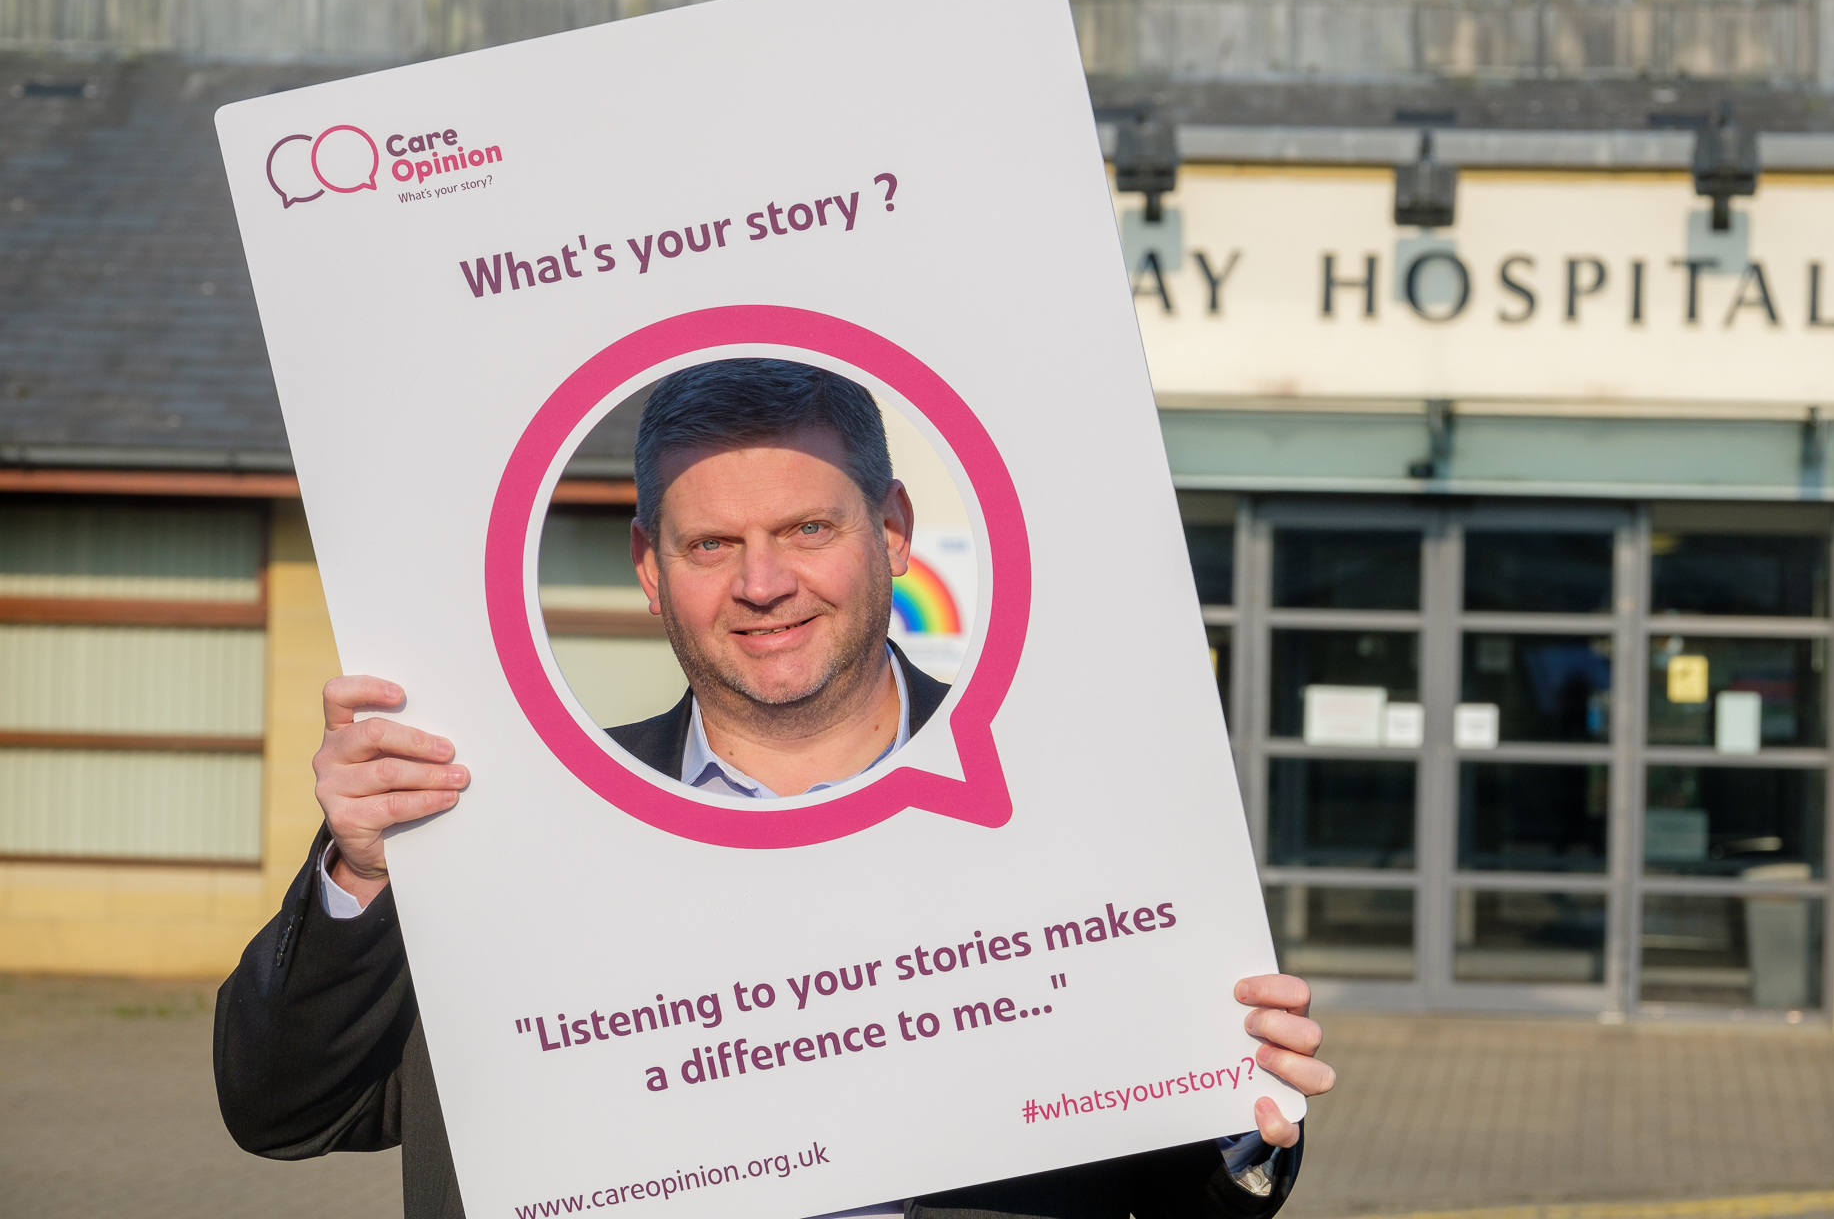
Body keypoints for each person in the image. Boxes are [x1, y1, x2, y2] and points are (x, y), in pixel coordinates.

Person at [213, 360, 1336, 1219]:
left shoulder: (1089, 799)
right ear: (651, 563)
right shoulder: (505, 829)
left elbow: (1183, 1189)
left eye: (808, 528)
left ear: (890, 530)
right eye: (712, 544)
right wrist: (365, 868)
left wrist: (1236, 1121)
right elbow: (291, 1108)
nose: (763, 583)